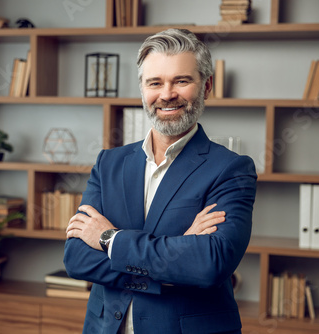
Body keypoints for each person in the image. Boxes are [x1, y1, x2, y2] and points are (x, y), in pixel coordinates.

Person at [64, 28, 257, 334]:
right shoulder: (109, 163)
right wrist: (179, 250)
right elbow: (76, 259)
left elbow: (209, 265)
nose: (167, 94)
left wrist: (108, 240)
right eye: (155, 83)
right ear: (142, 89)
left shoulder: (231, 169)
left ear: (206, 86)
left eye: (181, 80)